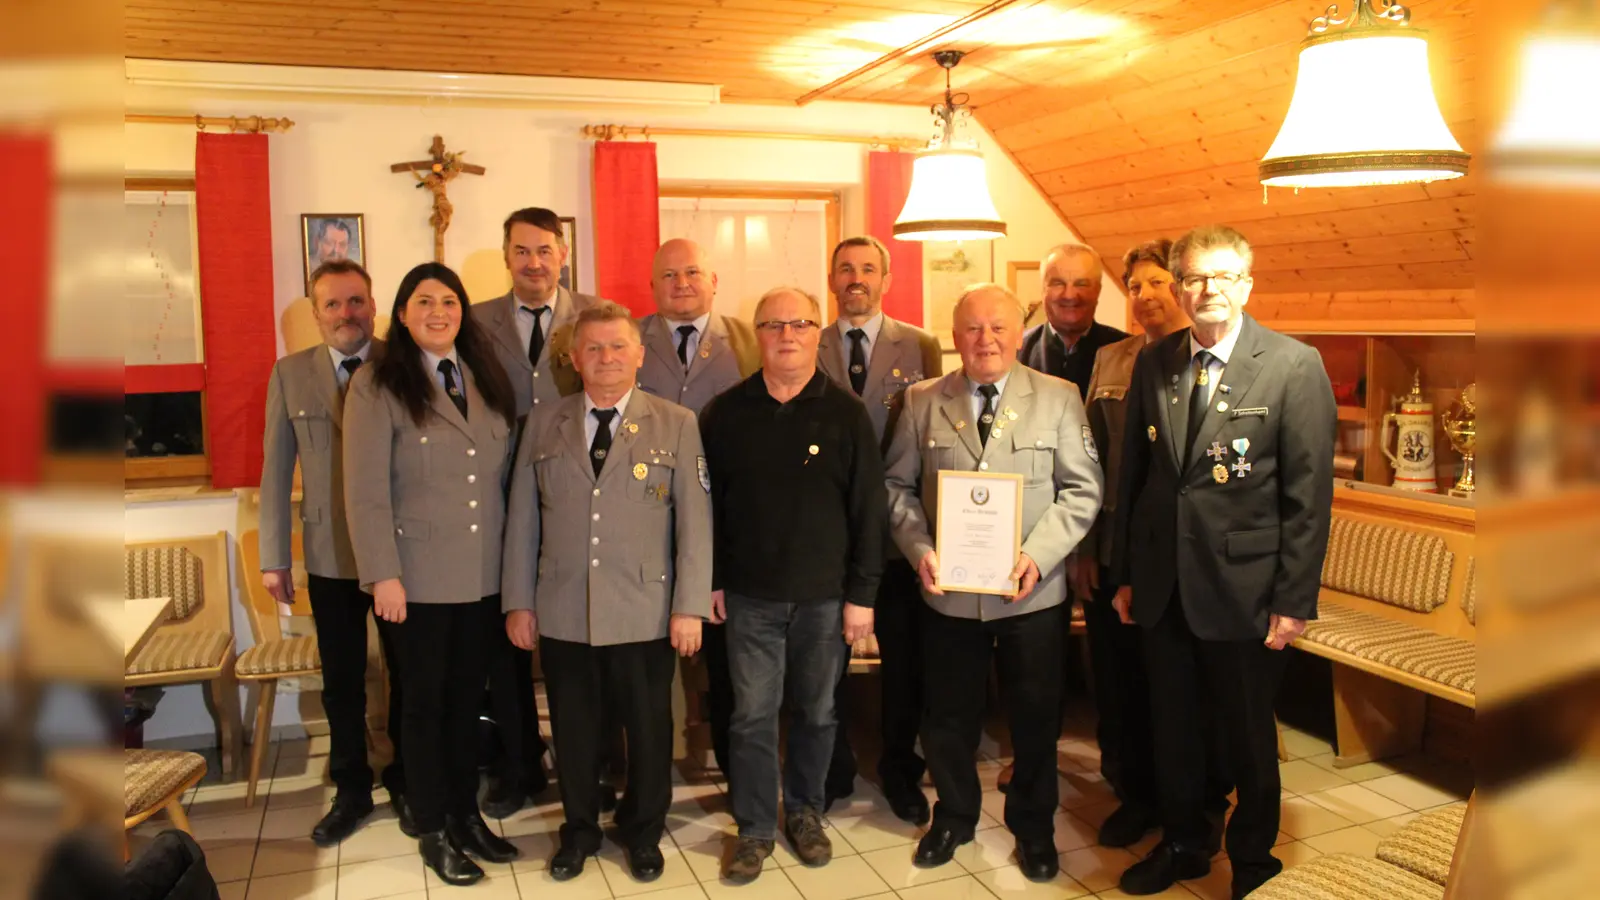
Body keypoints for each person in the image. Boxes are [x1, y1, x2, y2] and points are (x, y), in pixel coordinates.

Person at [1112, 225, 1335, 898]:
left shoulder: (1293, 366)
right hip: (1163, 587)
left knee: (1246, 741)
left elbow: (1308, 498)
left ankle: (1254, 864)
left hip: (1246, 590)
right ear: (1179, 288)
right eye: (1194, 278)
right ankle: (1183, 842)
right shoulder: (1157, 363)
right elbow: (1139, 480)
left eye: (1222, 277)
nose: (1208, 290)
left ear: (1246, 284)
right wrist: (1126, 572)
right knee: (1172, 729)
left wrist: (1294, 600)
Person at [884, 284, 1102, 883]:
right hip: (948, 593)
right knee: (948, 715)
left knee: (1034, 716)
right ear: (955, 338)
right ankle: (953, 816)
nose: (986, 340)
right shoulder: (922, 400)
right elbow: (894, 487)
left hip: (1031, 592)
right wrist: (919, 548)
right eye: (973, 329)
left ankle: (1033, 828)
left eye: (998, 327)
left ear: (1019, 332)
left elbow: (1083, 489)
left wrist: (1038, 555)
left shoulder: (1059, 397)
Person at [502, 301, 713, 884]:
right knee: (572, 731)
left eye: (618, 346)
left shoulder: (676, 422)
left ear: (640, 354)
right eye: (593, 348)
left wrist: (689, 607)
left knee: (648, 730)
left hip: (646, 610)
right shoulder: (544, 423)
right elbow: (523, 520)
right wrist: (519, 601)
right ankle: (579, 831)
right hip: (565, 609)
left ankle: (643, 832)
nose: (606, 358)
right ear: (575, 358)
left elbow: (695, 525)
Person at [344, 262, 523, 886]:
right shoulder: (376, 384)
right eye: (425, 301)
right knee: (423, 707)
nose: (439, 312)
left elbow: (500, 484)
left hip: (482, 578)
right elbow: (364, 493)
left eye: (449, 301)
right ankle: (432, 828)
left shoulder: (483, 376)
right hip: (413, 581)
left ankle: (464, 815)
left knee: (467, 704)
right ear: (402, 313)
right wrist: (381, 576)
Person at [700, 287, 885, 883]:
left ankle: (804, 812)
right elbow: (708, 512)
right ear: (757, 334)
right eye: (773, 324)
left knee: (818, 711)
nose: (786, 334)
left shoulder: (846, 412)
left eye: (799, 323)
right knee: (750, 717)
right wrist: (714, 580)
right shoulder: (725, 413)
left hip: (825, 598)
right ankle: (754, 827)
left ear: (816, 333)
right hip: (749, 597)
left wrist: (863, 595)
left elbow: (868, 511)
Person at [1075, 240, 1224, 850]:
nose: (1143, 296)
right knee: (1119, 683)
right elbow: (1087, 456)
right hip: (1114, 548)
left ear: (1184, 286)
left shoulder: (1211, 356)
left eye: (1156, 282)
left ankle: (1196, 803)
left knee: (1186, 690)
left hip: (1183, 558)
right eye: (1133, 286)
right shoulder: (1111, 359)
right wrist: (1087, 546)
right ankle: (1134, 794)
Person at [259, 258, 410, 845]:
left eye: (355, 302)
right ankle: (351, 786)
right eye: (333, 304)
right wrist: (275, 556)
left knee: (405, 670)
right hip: (329, 554)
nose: (346, 314)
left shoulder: (404, 368)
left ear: (373, 306)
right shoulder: (289, 374)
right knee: (343, 678)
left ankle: (403, 775)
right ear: (316, 314)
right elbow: (276, 471)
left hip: (401, 555)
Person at [470, 206, 599, 817]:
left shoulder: (595, 317)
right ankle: (519, 764)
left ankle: (591, 765)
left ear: (563, 253)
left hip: (583, 497)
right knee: (509, 640)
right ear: (506, 257)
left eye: (545, 250)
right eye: (522, 251)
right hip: (502, 497)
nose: (534, 262)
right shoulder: (473, 323)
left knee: (583, 637)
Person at [815, 235, 942, 822]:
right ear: (832, 279)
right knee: (824, 664)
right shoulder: (806, 343)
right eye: (846, 269)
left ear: (885, 279)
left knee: (908, 663)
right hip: (828, 537)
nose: (856, 278)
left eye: (868, 268)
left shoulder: (920, 345)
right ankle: (832, 768)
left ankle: (899, 768)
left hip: (897, 535)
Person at [634, 237, 760, 785]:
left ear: (714, 282)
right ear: (653, 284)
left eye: (692, 272)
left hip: (731, 520)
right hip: (646, 521)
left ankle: (739, 776)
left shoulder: (751, 340)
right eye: (668, 275)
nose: (681, 283)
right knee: (646, 661)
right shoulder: (626, 340)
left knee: (730, 661)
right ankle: (645, 775)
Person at [1019, 243, 1129, 399]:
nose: (1069, 295)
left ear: (1097, 290)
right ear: (1043, 289)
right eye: (1058, 283)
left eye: (1081, 284)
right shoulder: (1015, 352)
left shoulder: (1126, 353)